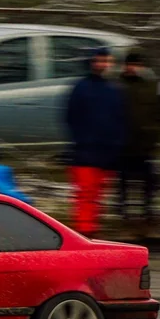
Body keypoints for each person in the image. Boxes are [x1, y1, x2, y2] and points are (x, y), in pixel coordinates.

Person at [64, 47, 127, 238]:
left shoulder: (113, 89)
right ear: (91, 63)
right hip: (85, 149)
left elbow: (120, 118)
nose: (101, 64)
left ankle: (93, 230)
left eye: (104, 61)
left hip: (107, 150)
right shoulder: (81, 87)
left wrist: (117, 143)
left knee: (98, 195)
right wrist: (81, 140)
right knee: (85, 194)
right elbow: (71, 117)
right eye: (97, 61)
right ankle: (83, 231)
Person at [116, 51, 160, 238]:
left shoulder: (152, 86)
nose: (133, 68)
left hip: (146, 144)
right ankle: (125, 216)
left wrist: (155, 135)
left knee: (149, 182)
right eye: (131, 64)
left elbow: (159, 112)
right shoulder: (117, 86)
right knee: (124, 183)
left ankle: (146, 215)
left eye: (137, 64)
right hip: (123, 143)